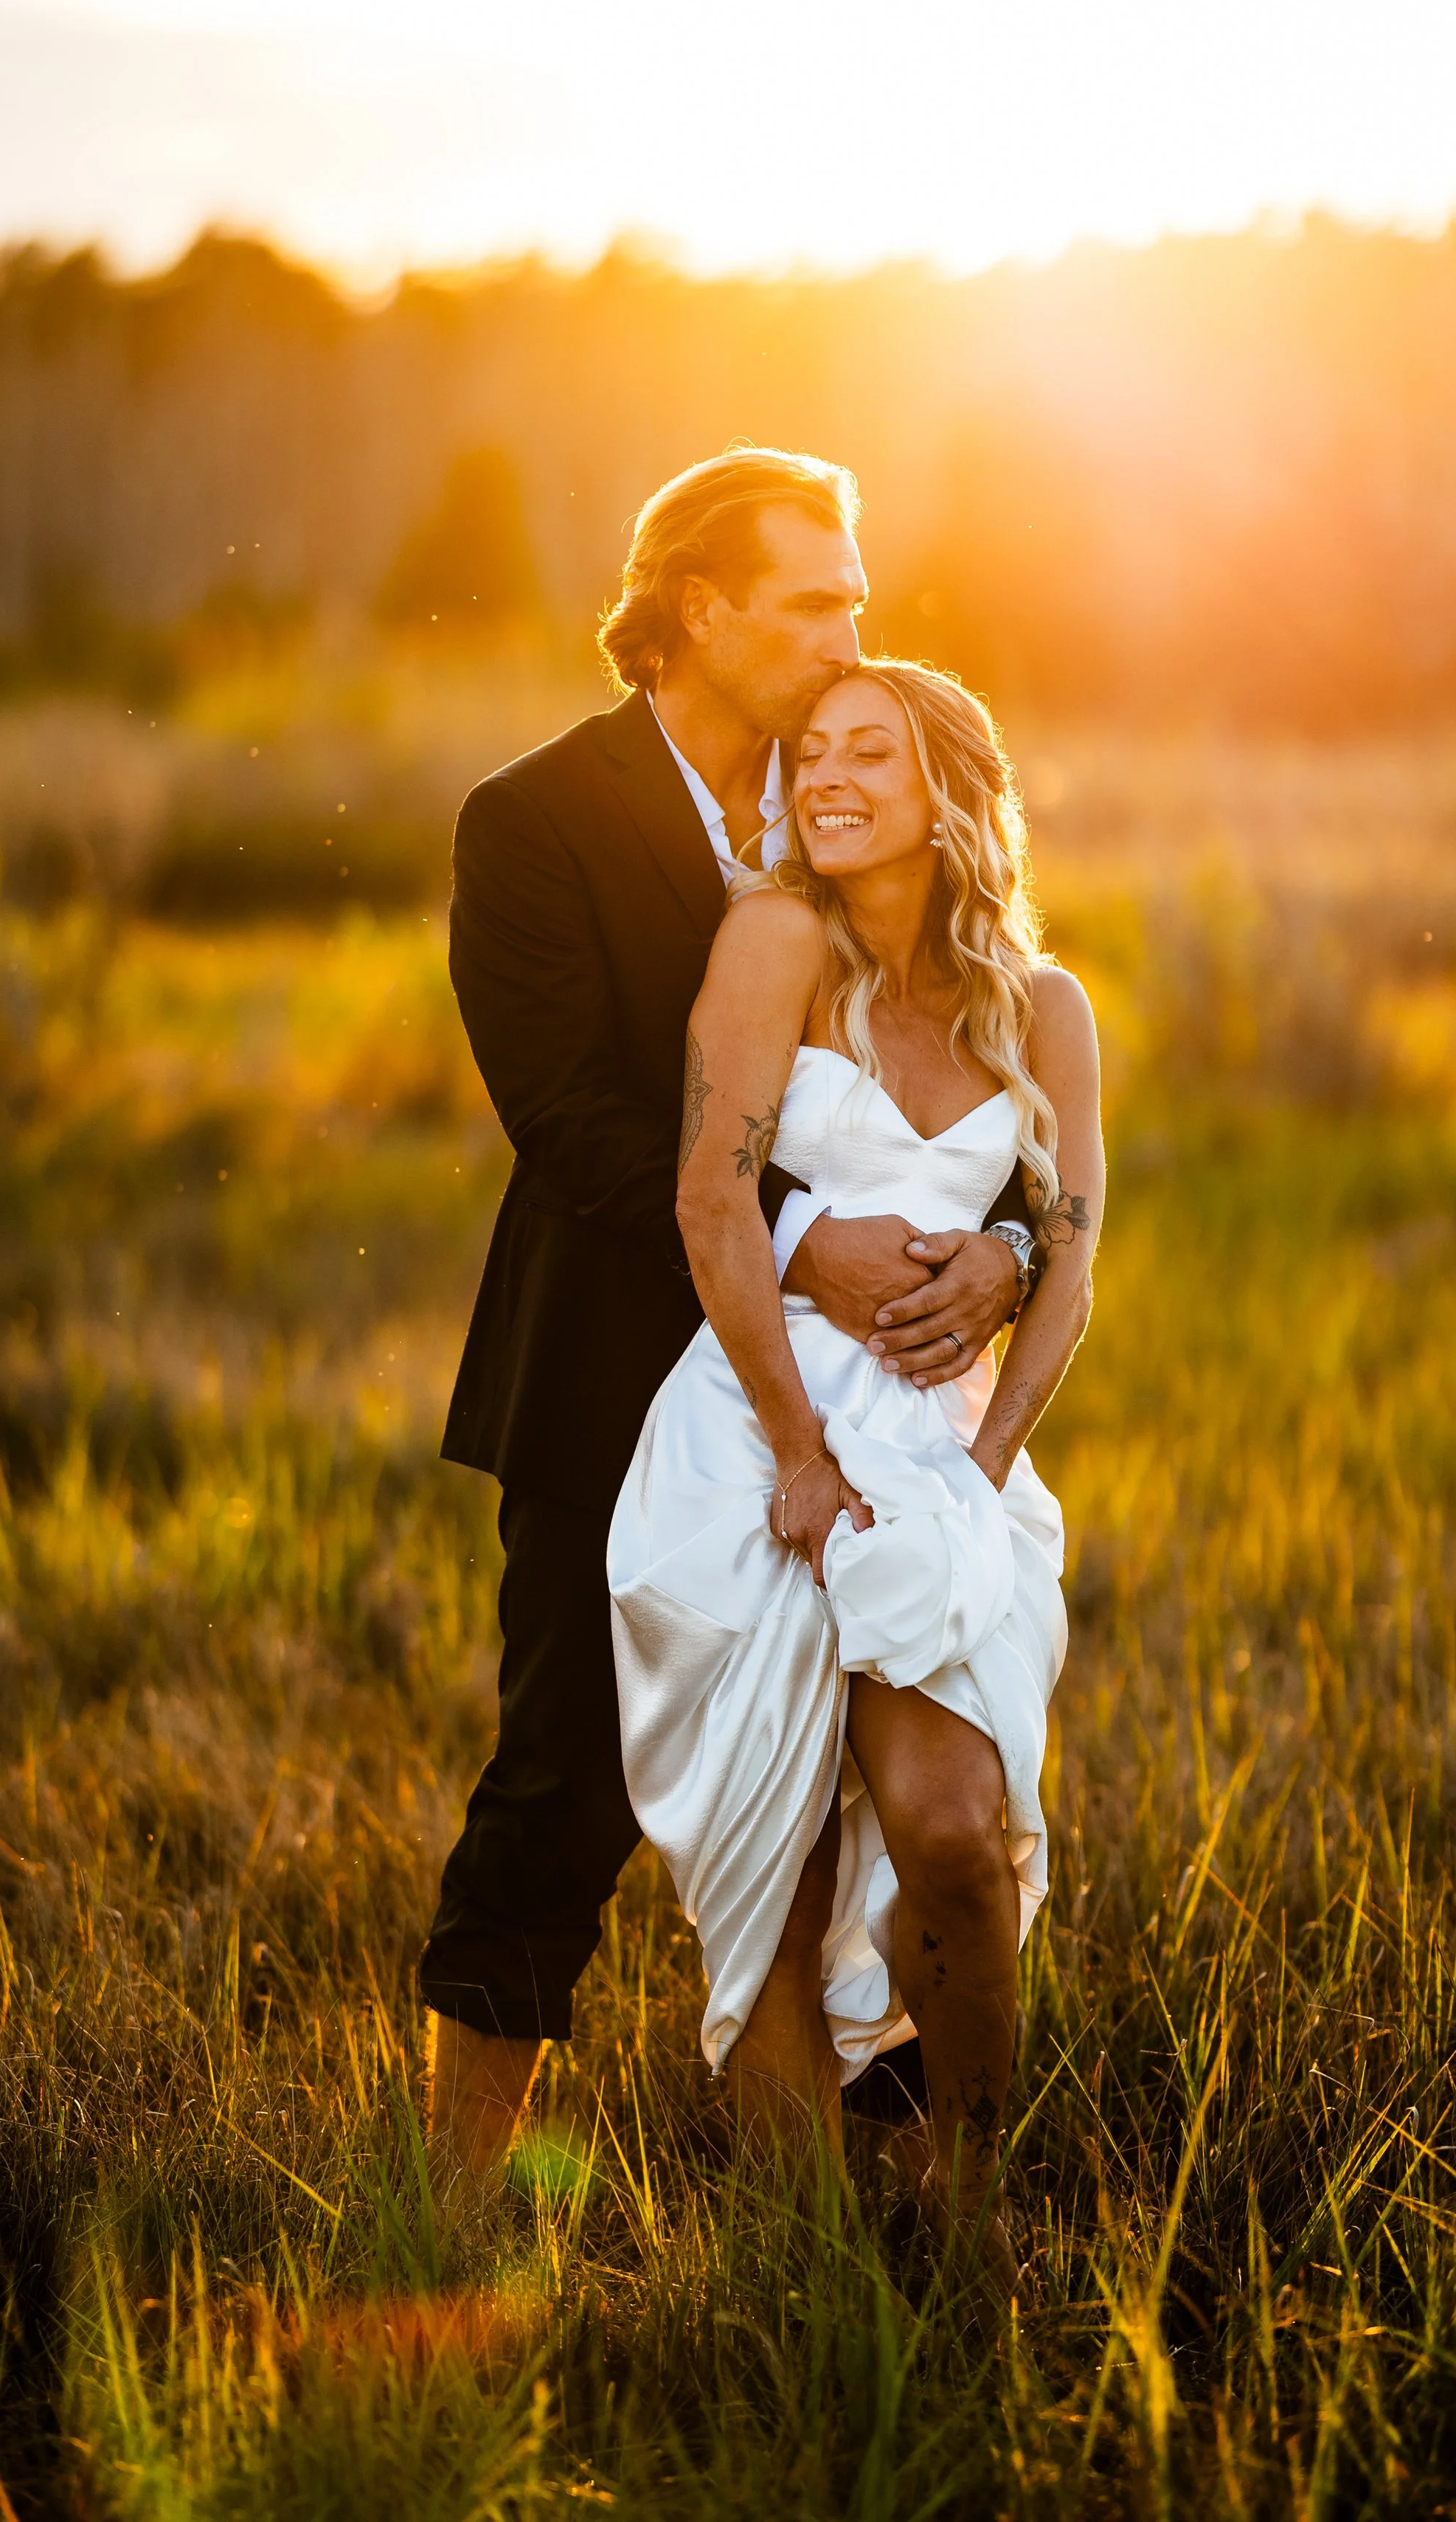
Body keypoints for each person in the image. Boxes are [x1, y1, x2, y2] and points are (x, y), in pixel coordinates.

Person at [425, 450, 1037, 2183]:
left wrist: (1000, 1243)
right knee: (561, 1790)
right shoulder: (531, 820)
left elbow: (957, 1059)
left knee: (873, 1799)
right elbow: (568, 1121)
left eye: (855, 596)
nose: (854, 626)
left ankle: (871, 2199)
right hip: (609, 1377)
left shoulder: (850, 792)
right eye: (817, 598)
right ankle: (453, 2209)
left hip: (858, 1403)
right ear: (700, 611)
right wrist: (798, 1239)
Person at [609, 657, 1103, 2289]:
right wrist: (802, 1455)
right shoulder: (775, 943)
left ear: (946, 783)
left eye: (864, 752)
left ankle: (973, 2193)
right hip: (759, 1433)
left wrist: (987, 1455)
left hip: (939, 1453)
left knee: (953, 1825)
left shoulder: (1041, 1006)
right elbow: (708, 1198)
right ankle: (803, 2261)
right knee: (780, 1845)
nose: (821, 775)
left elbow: (1073, 1247)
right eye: (808, 750)